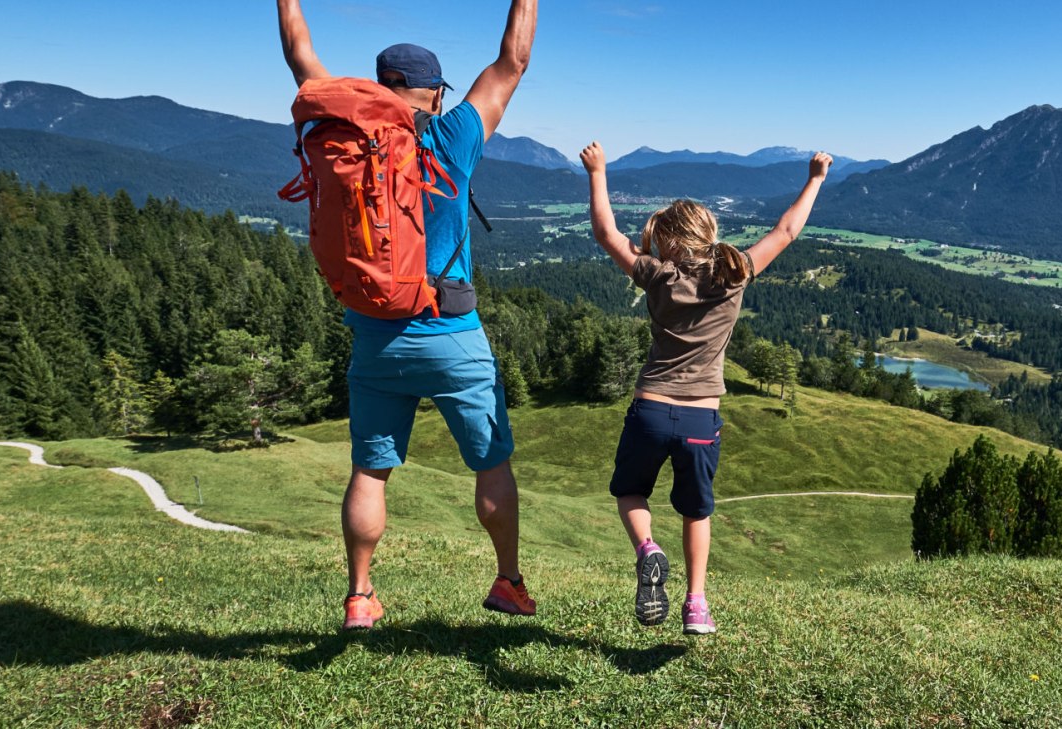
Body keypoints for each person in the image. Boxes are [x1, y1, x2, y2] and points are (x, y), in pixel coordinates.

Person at [275, 0, 539, 630]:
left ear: (379, 87)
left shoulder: (346, 127)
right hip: (453, 334)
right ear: (435, 94)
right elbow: (512, 62)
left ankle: (361, 595)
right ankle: (508, 582)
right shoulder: (452, 134)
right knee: (492, 462)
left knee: (371, 470)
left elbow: (299, 54)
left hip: (374, 336)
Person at [578, 141, 832, 635]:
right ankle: (697, 605)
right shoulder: (734, 273)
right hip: (701, 417)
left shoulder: (656, 276)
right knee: (697, 510)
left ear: (668, 241)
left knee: (631, 490)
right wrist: (816, 178)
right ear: (708, 234)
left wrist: (597, 170)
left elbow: (606, 232)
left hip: (651, 408)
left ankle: (649, 550)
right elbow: (787, 229)